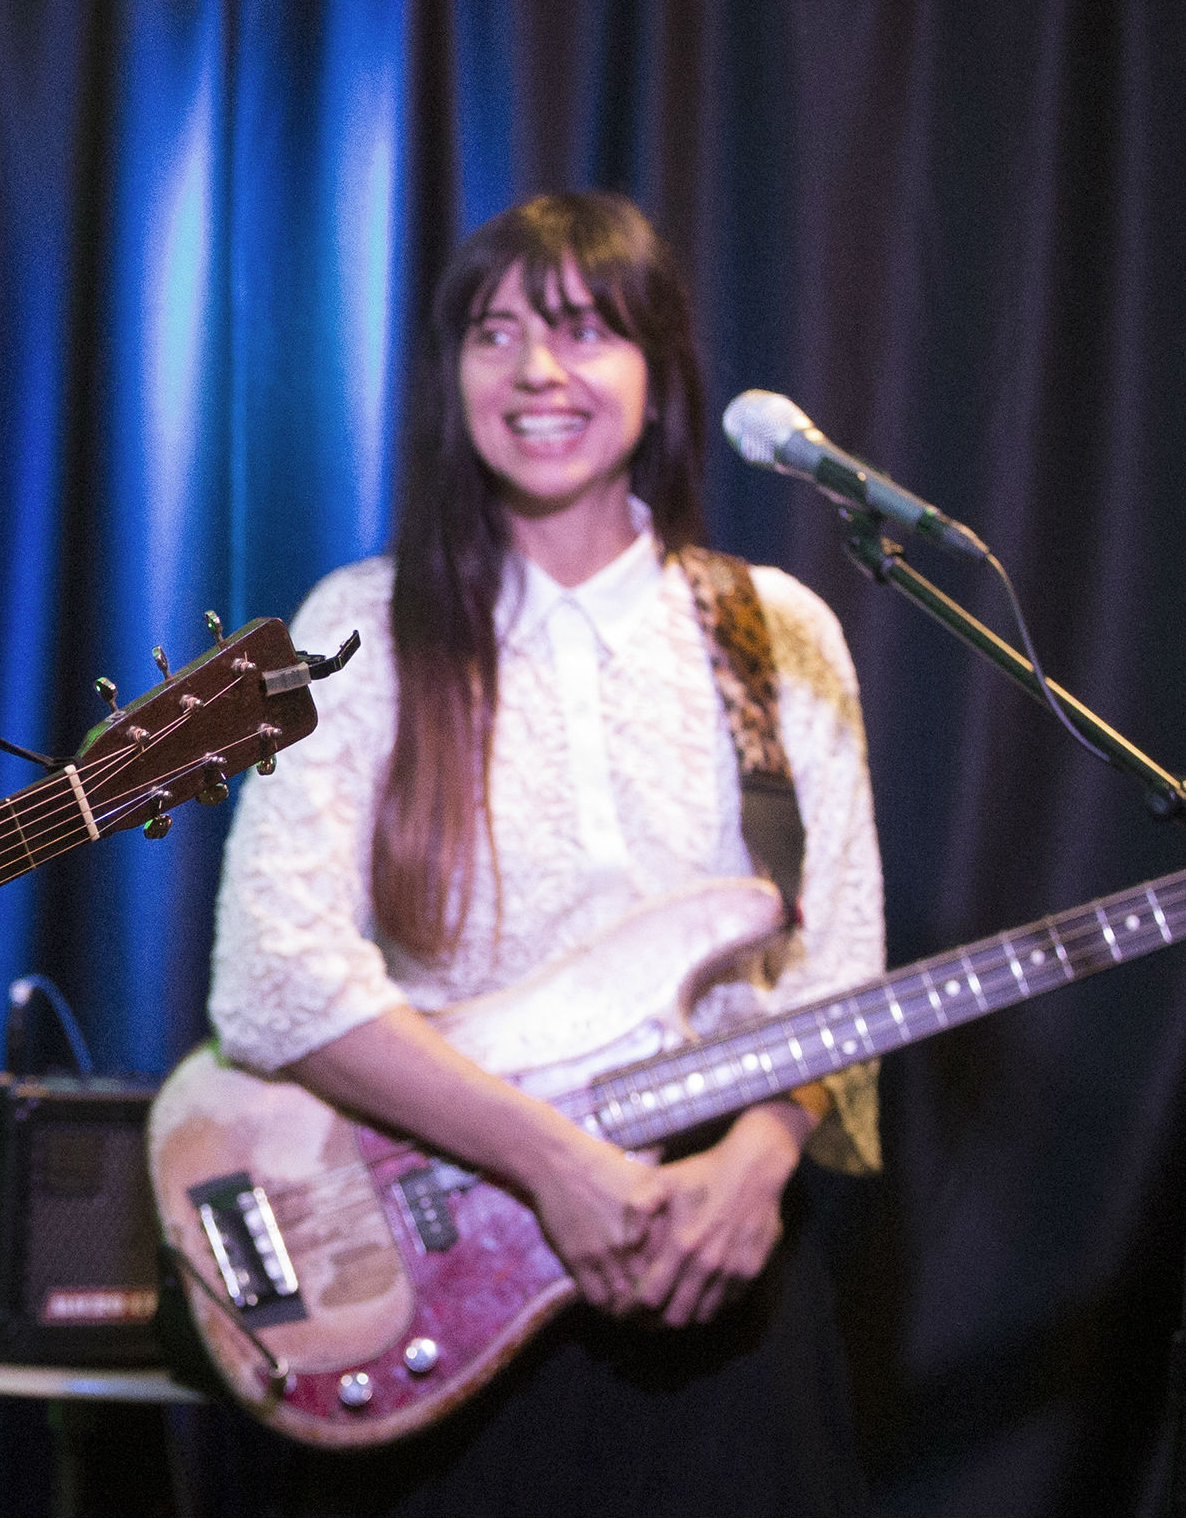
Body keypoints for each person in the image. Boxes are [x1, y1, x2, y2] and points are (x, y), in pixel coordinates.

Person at [207, 192, 883, 1514]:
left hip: (719, 1269)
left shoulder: (775, 628)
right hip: (440, 1249)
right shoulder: (358, 627)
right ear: (450, 374)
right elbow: (268, 976)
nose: (536, 372)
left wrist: (757, 1163)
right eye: (494, 333)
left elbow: (838, 960)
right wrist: (555, 1165)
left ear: (656, 372)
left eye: (583, 332)